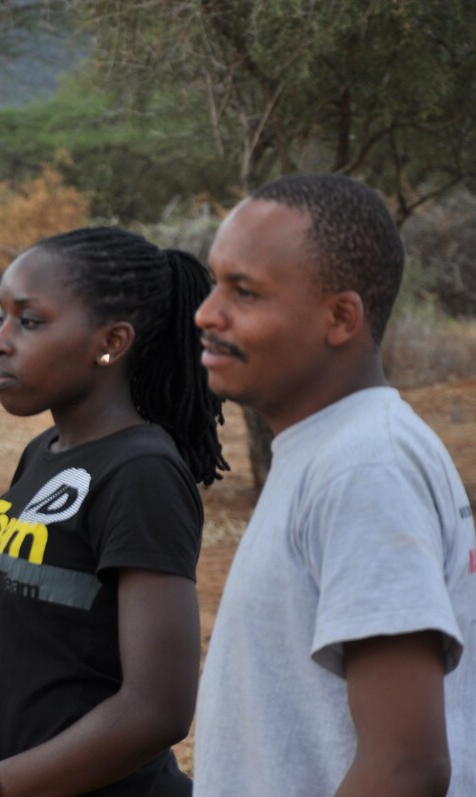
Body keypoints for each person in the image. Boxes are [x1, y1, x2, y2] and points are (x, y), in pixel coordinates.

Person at [0, 227, 227, 797]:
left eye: (28, 321)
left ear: (111, 342)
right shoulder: (44, 454)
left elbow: (158, 709)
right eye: (1, 316)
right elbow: (32, 660)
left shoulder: (141, 473)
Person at [192, 173, 476, 796]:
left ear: (341, 316)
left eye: (244, 292)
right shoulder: (331, 448)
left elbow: (405, 767)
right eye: (216, 282)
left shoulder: (364, 466)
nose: (207, 313)